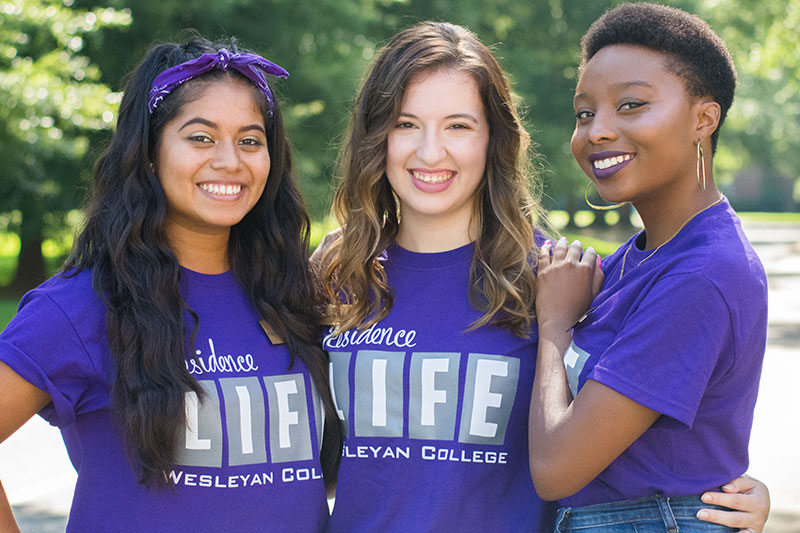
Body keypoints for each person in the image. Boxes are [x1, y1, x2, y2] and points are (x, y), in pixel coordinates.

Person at [313, 21, 768, 532]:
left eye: (459, 126)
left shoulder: (556, 280)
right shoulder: (337, 273)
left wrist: (717, 494)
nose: (430, 151)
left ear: (493, 138)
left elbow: (617, 431)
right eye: (405, 124)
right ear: (377, 135)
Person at [0, 36, 338, 531]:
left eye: (250, 140)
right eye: (200, 137)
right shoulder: (82, 305)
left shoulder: (294, 295)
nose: (230, 161)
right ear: (150, 151)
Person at [528, 3, 769, 532]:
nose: (596, 132)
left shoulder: (702, 273)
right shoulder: (636, 261)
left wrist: (554, 328)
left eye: (631, 105)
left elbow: (555, 469)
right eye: (585, 112)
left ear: (704, 119)